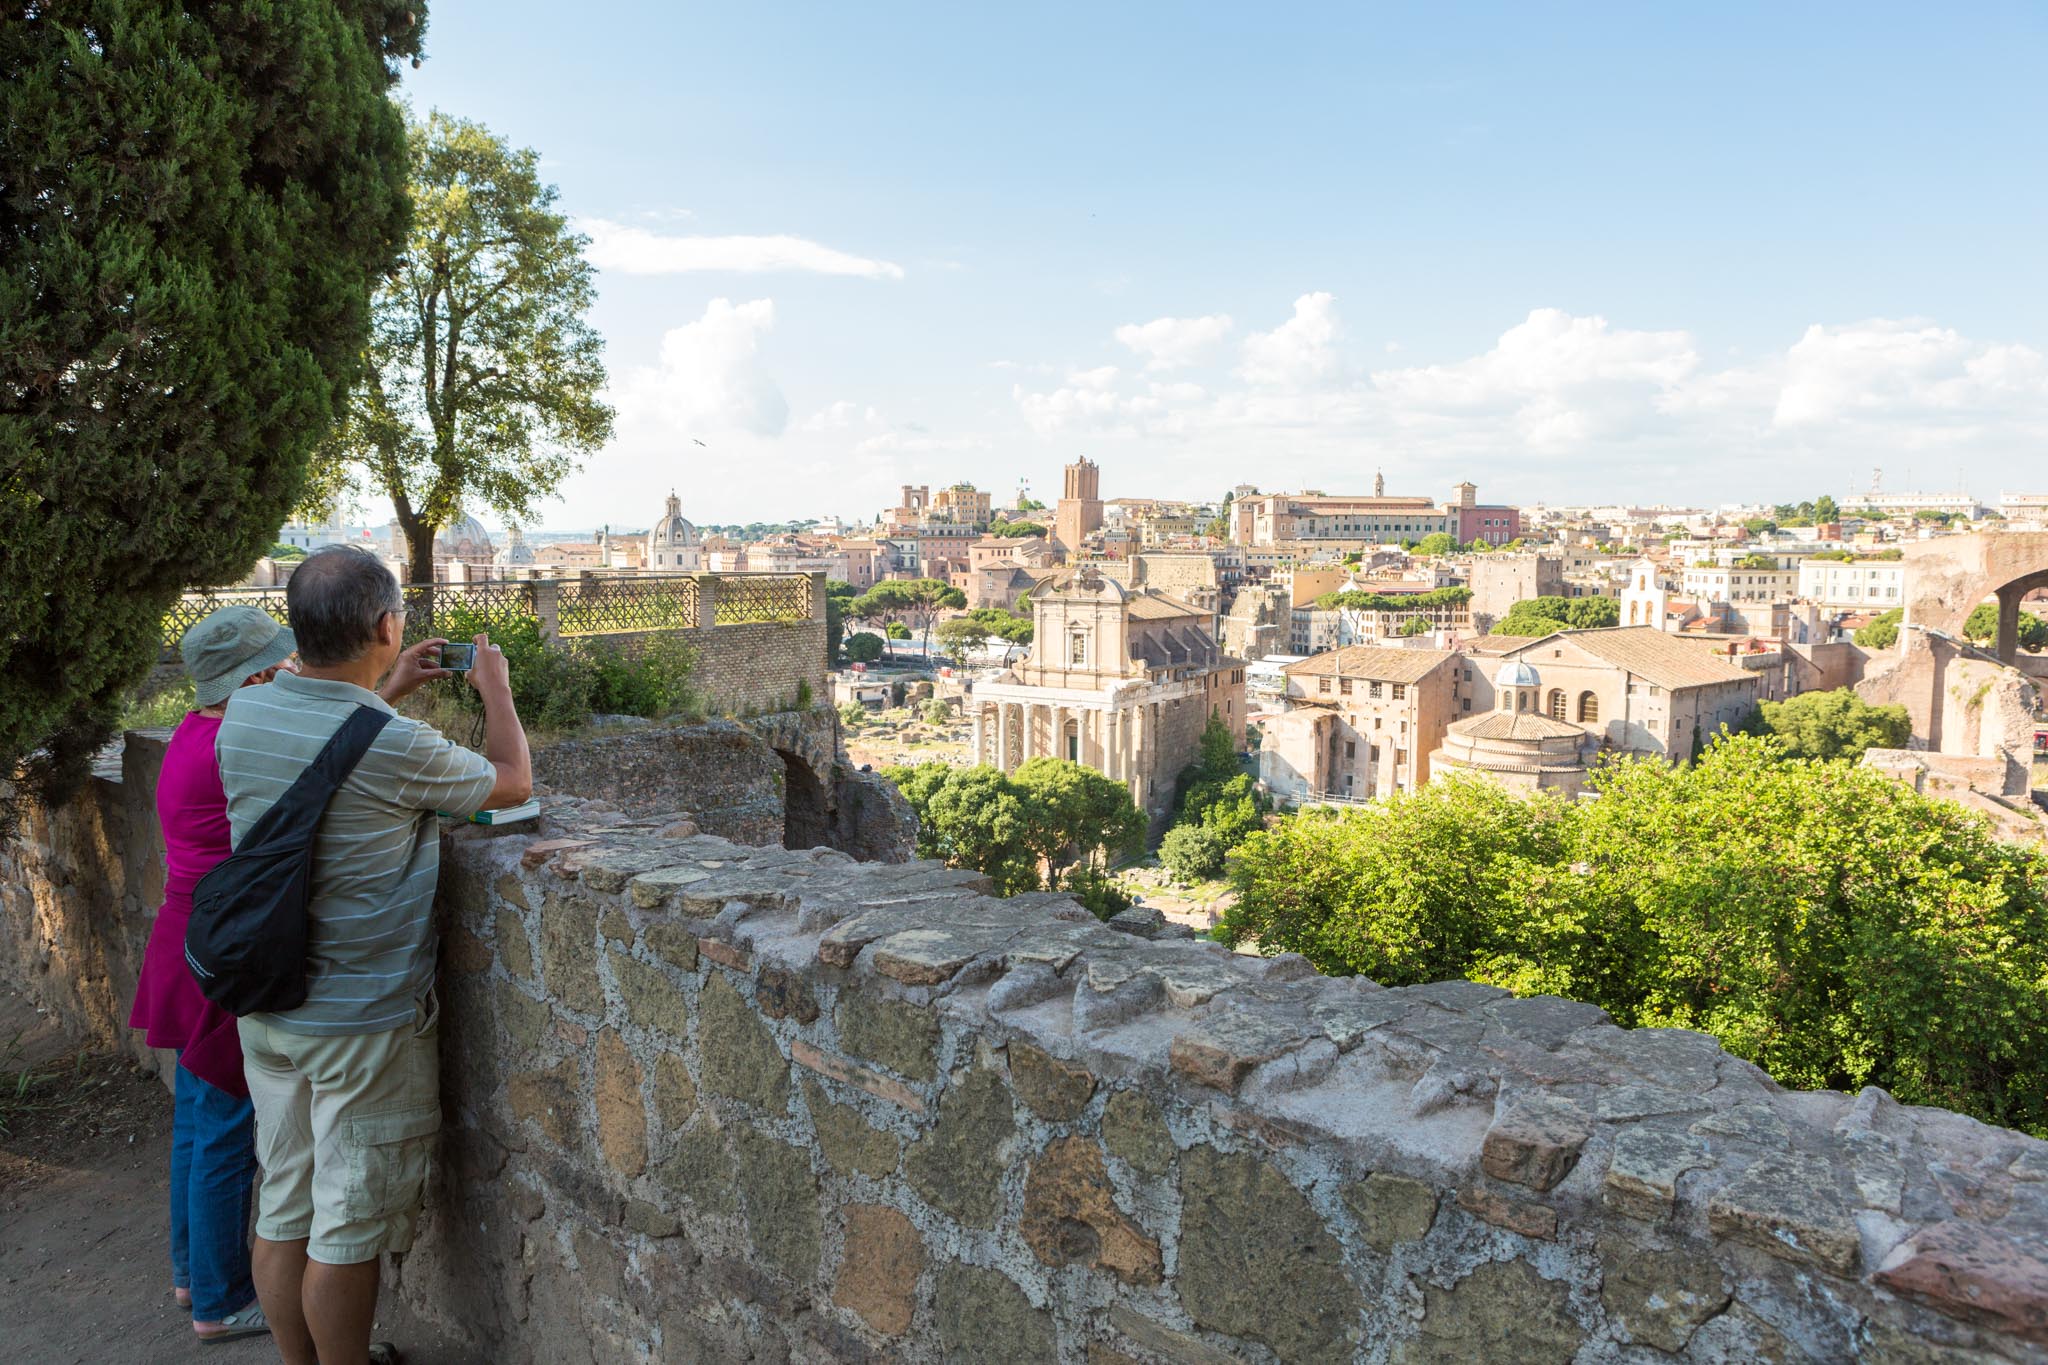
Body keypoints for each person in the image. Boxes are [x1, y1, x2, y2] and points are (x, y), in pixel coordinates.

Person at [216, 547, 531, 1365]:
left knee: (283, 1207)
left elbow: (324, 753)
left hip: (267, 1000)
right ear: (388, 625)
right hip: (358, 1017)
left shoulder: (246, 715)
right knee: (345, 1226)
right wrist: (493, 685)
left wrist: (385, 689)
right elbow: (510, 782)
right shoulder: (397, 745)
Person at [128, 606, 298, 1342]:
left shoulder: (194, 733)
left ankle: (192, 1272)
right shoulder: (237, 740)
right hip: (224, 952)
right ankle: (223, 1300)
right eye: (282, 667)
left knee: (197, 1120)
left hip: (186, 942)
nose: (292, 676)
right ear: (255, 676)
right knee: (228, 1121)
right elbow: (336, 755)